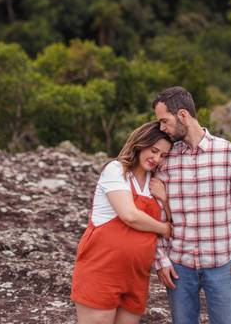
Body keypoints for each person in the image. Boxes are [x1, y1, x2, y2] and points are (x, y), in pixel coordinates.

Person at [149, 86, 231, 324]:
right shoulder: (165, 160)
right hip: (179, 265)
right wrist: (161, 259)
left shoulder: (230, 154)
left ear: (183, 115)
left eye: (164, 121)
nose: (162, 128)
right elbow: (157, 214)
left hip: (222, 264)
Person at [71, 121, 173, 324]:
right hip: (102, 271)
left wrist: (165, 199)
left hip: (137, 276)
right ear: (140, 144)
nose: (156, 159)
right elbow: (129, 215)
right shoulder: (116, 170)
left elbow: (173, 220)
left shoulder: (156, 183)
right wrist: (163, 228)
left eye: (163, 155)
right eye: (153, 151)